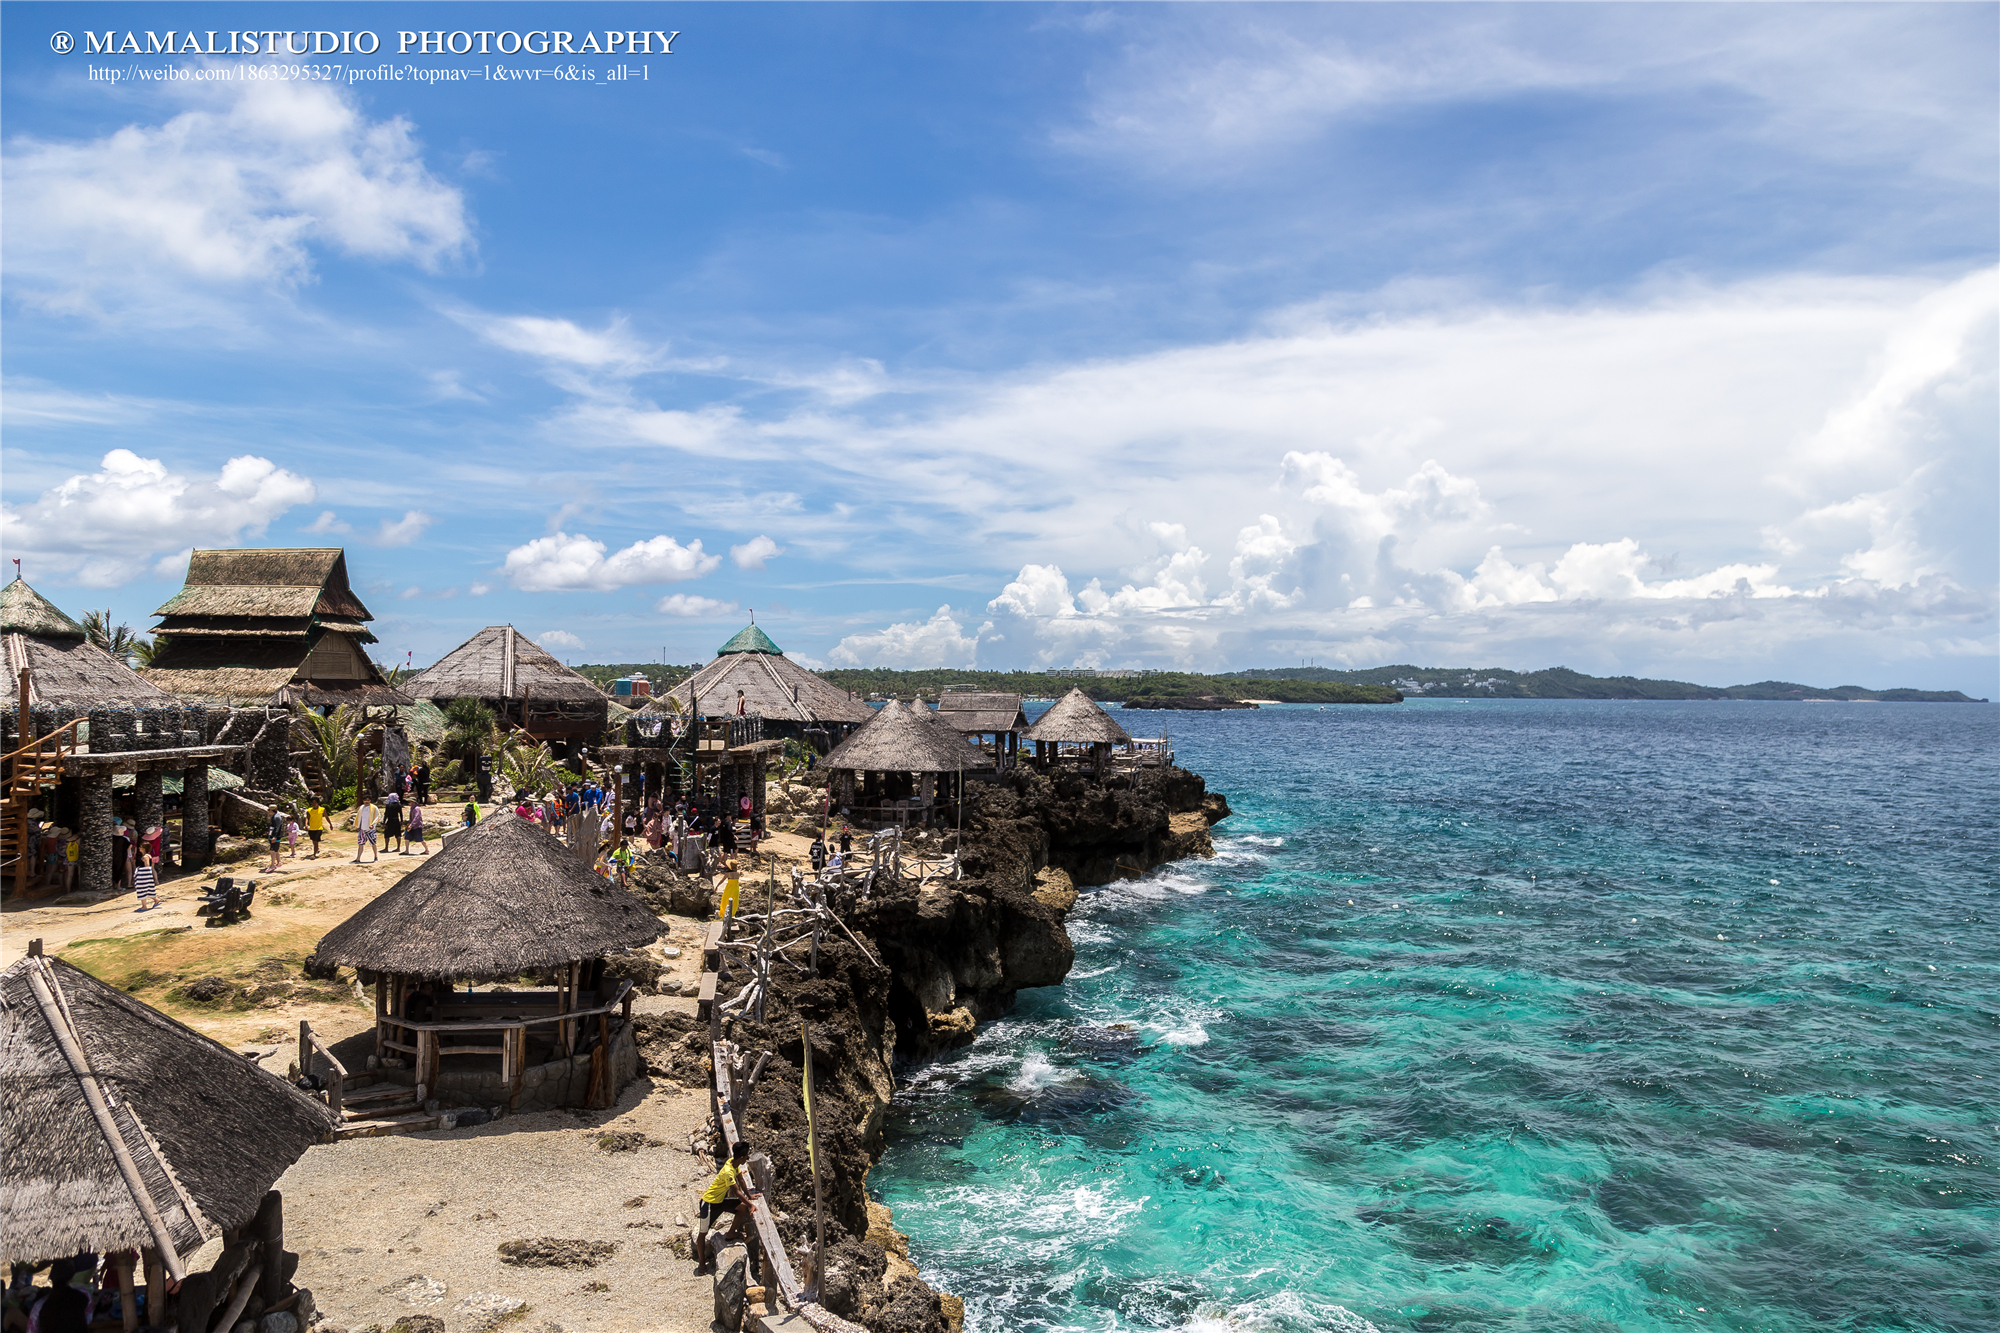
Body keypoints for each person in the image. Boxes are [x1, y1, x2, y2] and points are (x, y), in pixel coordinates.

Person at [692, 1141, 753, 1274]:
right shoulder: (727, 1172)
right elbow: (736, 1192)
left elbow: (741, 1180)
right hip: (708, 1203)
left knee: (742, 1206)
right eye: (746, 1157)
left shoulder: (733, 1163)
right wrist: (751, 1204)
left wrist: (749, 1196)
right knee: (702, 1234)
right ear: (741, 1158)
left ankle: (731, 1233)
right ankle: (702, 1264)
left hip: (720, 1201)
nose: (747, 1159)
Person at [354, 796, 378, 863]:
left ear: (370, 801)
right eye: (365, 801)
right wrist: (358, 826)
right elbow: (359, 817)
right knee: (360, 844)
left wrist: (373, 825)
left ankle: (376, 857)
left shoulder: (374, 808)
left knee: (373, 843)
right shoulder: (361, 807)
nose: (366, 802)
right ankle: (358, 858)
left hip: (371, 829)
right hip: (362, 829)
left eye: (368, 801)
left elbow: (377, 817)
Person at [265, 806, 285, 872]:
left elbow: (278, 827)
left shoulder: (276, 817)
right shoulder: (274, 816)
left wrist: (274, 836)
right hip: (273, 835)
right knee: (276, 849)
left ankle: (272, 865)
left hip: (275, 836)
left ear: (271, 810)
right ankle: (279, 862)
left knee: (272, 850)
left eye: (269, 810)